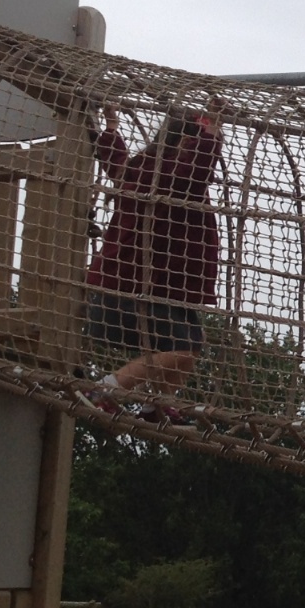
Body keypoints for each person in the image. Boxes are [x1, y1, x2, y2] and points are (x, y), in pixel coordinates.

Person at [86, 102, 223, 413]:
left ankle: (158, 406)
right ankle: (103, 390)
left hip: (160, 288)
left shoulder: (147, 169)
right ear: (185, 142)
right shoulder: (172, 175)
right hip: (134, 288)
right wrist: (212, 128)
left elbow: (116, 162)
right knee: (182, 349)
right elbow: (197, 169)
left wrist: (111, 128)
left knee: (191, 346)